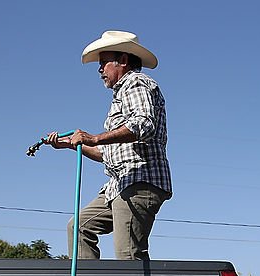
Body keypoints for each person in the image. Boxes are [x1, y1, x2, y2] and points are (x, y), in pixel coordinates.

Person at [46, 30, 171, 260]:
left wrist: (94, 137)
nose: (99, 69)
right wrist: (71, 146)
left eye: (104, 62)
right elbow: (106, 153)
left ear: (122, 60)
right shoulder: (121, 94)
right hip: (118, 185)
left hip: (139, 181)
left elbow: (143, 124)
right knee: (78, 227)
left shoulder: (136, 82)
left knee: (128, 256)